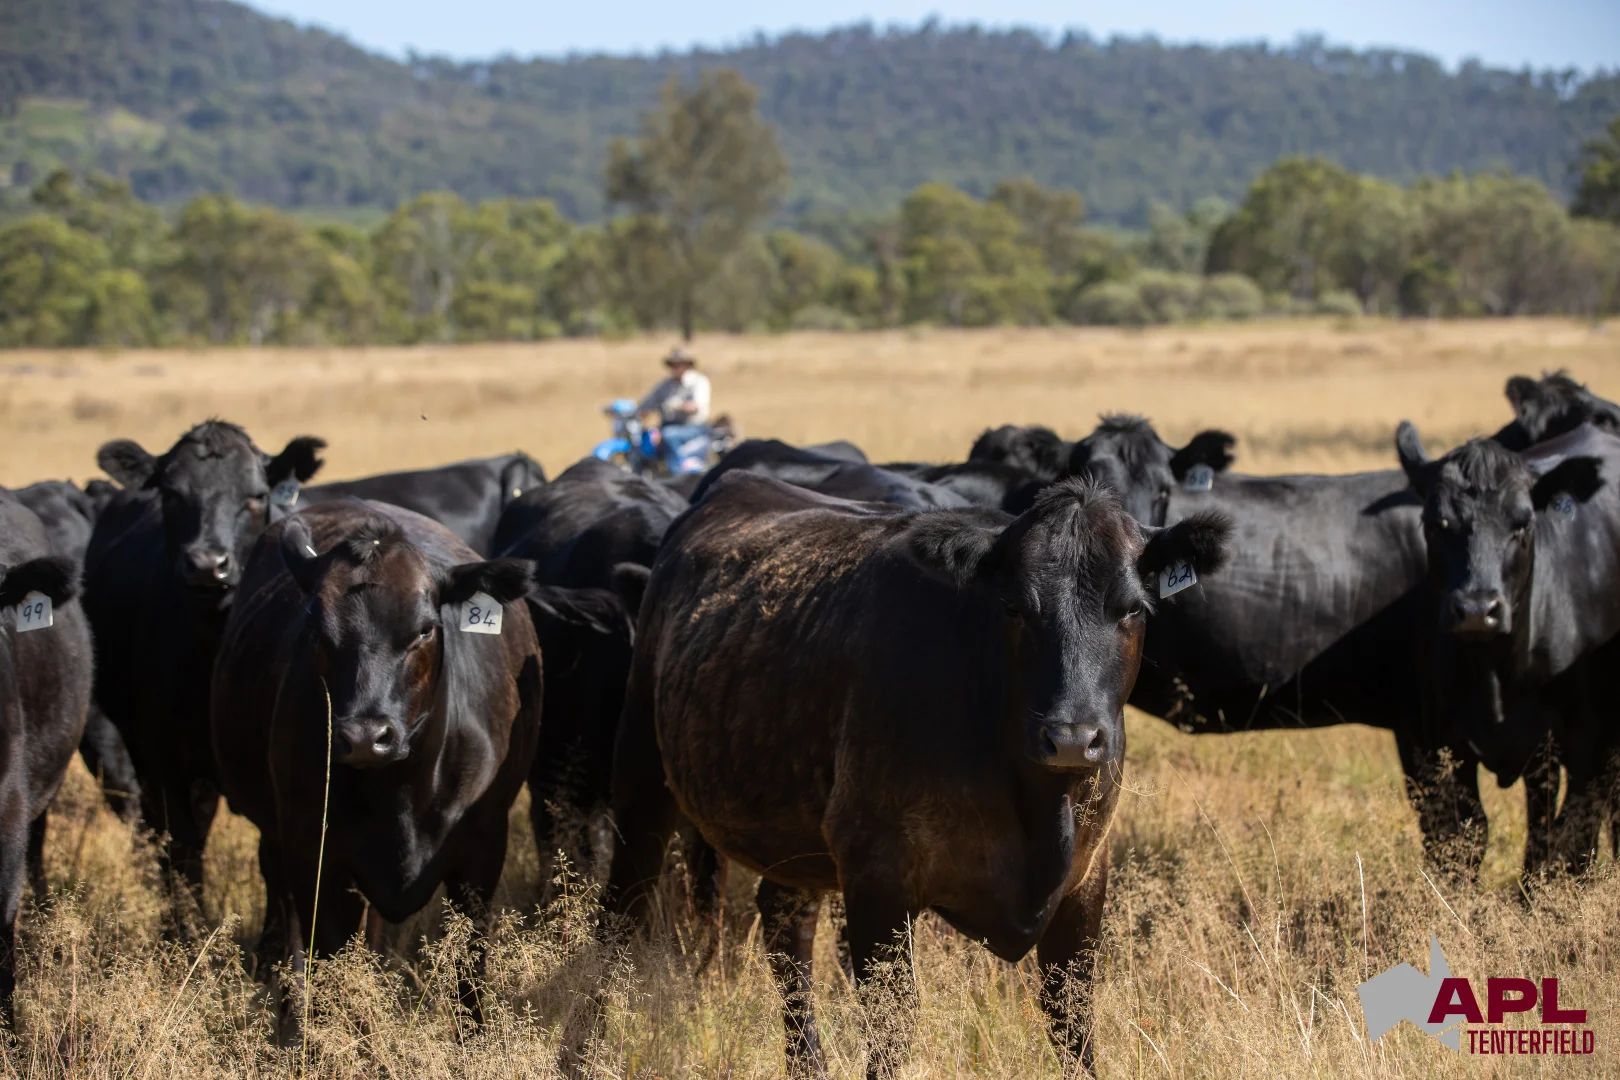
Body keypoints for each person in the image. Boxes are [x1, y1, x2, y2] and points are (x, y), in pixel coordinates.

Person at [638, 346, 712, 459]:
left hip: (693, 427)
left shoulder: (698, 382)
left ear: (687, 365)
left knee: (668, 435)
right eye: (672, 364)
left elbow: (696, 407)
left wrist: (678, 405)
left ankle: (678, 466)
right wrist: (636, 412)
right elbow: (647, 404)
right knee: (647, 438)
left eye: (679, 364)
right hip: (667, 426)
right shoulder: (665, 385)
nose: (675, 367)